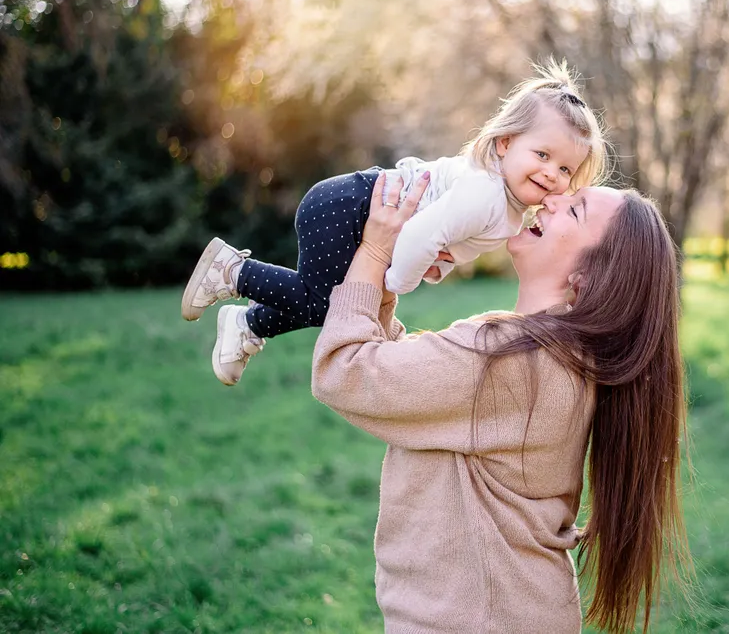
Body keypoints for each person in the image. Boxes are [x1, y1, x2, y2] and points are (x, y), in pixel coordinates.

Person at [310, 171, 692, 633]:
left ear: (586, 276)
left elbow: (344, 371)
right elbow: (415, 390)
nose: (553, 199)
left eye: (575, 209)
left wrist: (373, 253)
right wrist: (388, 277)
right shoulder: (545, 354)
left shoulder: (512, 360)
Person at [179, 61, 608, 385]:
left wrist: (437, 265)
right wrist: (399, 281)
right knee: (335, 305)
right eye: (542, 155)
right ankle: (234, 272)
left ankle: (247, 324)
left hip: (355, 205)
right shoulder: (487, 193)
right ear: (505, 142)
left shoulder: (506, 206)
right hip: (349, 206)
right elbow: (421, 235)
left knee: (334, 305)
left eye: (566, 169)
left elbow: (448, 239)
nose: (553, 174)